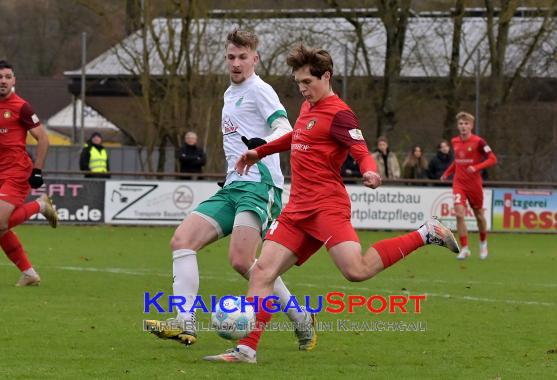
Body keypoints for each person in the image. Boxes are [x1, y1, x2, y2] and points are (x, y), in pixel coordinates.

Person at [204, 44, 459, 364]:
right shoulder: (308, 107)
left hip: (327, 207)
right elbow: (295, 136)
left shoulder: (340, 113)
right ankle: (246, 350)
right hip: (297, 208)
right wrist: (261, 151)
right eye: (298, 83)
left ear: (326, 77)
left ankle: (426, 233)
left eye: (307, 82)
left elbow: (361, 149)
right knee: (262, 273)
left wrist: (369, 169)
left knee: (356, 270)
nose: (302, 89)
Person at [144, 30, 316, 350]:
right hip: (233, 185)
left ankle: (299, 316)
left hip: (259, 184)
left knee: (241, 260)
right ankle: (185, 322)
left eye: (242, 57)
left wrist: (262, 145)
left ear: (255, 58)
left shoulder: (259, 90)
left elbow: (285, 127)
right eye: (231, 57)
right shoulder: (229, 93)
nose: (236, 63)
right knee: (182, 241)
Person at [0, 60, 59, 286]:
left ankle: (40, 206)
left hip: (16, 171)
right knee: (1, 228)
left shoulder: (21, 106)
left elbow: (43, 138)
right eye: (0, 77)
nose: (3, 81)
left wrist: (37, 170)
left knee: (0, 222)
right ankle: (29, 273)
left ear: (14, 80)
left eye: (7, 77)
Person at [441, 112, 497, 260]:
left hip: (474, 185)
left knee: (479, 216)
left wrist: (477, 167)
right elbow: (457, 161)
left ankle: (483, 243)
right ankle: (465, 248)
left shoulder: (479, 142)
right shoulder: (455, 141)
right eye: (461, 124)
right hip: (459, 184)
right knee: (459, 214)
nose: (463, 126)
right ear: (457, 126)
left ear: (471, 125)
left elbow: (493, 159)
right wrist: (447, 173)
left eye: (466, 124)